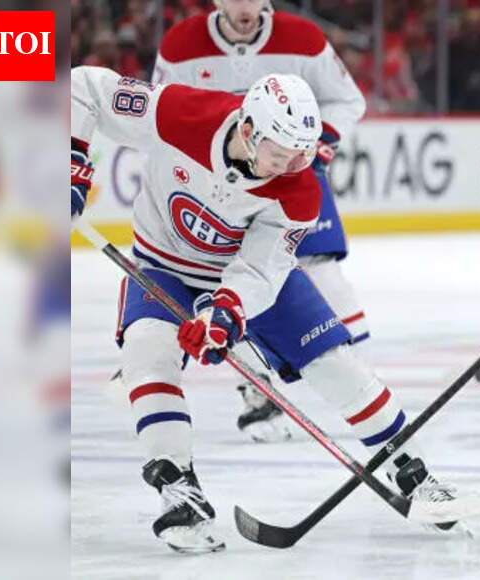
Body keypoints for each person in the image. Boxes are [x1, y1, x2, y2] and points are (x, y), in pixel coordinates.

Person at [71, 67, 480, 552]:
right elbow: (83, 88)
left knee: (336, 362)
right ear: (248, 130)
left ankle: (415, 474)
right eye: (283, 150)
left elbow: (259, 271)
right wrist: (71, 159)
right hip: (162, 263)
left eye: (304, 151)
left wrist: (223, 314)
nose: (296, 162)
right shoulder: (180, 112)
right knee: (148, 353)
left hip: (249, 276)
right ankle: (178, 492)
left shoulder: (300, 187)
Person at [151, 0, 369, 441]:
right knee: (230, 286)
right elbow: (160, 112)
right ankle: (257, 392)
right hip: (219, 189)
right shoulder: (180, 45)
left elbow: (347, 99)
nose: (245, 6)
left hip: (291, 176)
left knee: (322, 272)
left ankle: (361, 385)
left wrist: (320, 143)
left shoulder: (303, 38)